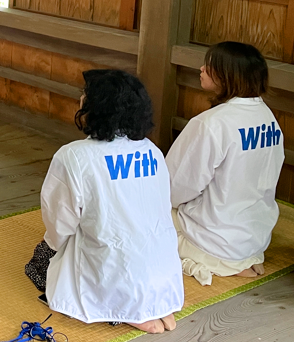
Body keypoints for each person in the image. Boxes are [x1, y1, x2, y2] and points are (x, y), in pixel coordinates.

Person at [41, 69, 183, 334]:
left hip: (116, 267)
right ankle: (153, 302)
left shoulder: (74, 156)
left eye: (85, 95)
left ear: (97, 106)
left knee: (39, 263)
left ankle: (127, 307)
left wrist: (53, 245)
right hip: (165, 273)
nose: (80, 98)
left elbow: (59, 222)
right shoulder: (151, 150)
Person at [166, 42, 284, 286]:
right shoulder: (268, 119)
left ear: (226, 75)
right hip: (255, 236)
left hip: (215, 238)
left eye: (209, 67)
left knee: (142, 211)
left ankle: (216, 259)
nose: (201, 69)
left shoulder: (211, 123)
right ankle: (241, 259)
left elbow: (174, 186)